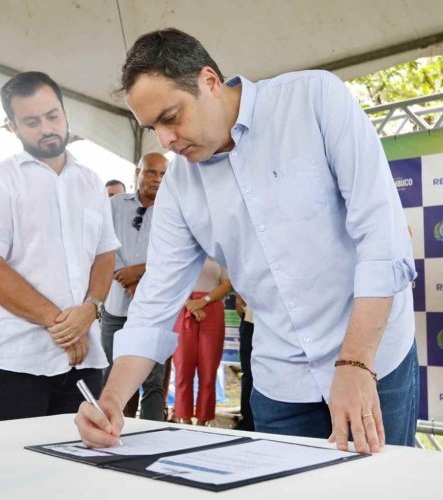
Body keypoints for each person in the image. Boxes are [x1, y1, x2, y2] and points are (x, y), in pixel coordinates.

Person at [75, 28, 418, 454]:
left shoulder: (313, 100)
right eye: (152, 128)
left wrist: (355, 362)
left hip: (373, 360)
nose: (165, 140)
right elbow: (154, 303)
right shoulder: (180, 187)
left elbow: (382, 238)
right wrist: (112, 400)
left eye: (171, 117)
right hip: (282, 382)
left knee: (378, 483)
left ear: (209, 81)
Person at [0, 71, 119, 422]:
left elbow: (105, 254)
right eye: (32, 122)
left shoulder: (91, 182)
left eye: (52, 116)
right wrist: (61, 324)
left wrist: (90, 308)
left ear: (65, 113)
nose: (47, 128)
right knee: (10, 458)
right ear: (12, 127)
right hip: (13, 362)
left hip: (84, 361)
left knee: (78, 456)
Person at [100, 152, 169, 420]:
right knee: (110, 375)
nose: (157, 179)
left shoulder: (173, 209)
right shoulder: (115, 205)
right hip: (115, 306)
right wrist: (125, 278)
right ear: (137, 173)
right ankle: (111, 426)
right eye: (151, 172)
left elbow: (172, 257)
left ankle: (153, 432)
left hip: (153, 310)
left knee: (153, 380)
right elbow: (103, 244)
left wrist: (138, 273)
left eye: (163, 174)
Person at [172, 258, 232, 425]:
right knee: (183, 367)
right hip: (184, 307)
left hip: (211, 308)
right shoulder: (182, 252)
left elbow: (227, 284)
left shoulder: (219, 253)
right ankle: (183, 417)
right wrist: (190, 305)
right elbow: (173, 281)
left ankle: (203, 419)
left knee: (208, 368)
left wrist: (203, 301)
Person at [235, 294, 255, 431]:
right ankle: (247, 422)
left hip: (282, 323)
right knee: (248, 374)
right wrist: (239, 295)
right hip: (251, 319)